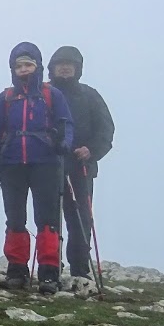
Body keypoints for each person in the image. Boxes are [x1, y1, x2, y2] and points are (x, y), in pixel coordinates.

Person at [0, 42, 73, 295]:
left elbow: (66, 124)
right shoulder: (6, 98)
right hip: (11, 163)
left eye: (28, 65)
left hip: (46, 162)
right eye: (18, 66)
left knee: (47, 218)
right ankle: (17, 270)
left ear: (38, 67)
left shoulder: (52, 95)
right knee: (15, 218)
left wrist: (64, 144)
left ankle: (49, 272)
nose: (23, 70)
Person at [47, 46, 114, 281]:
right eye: (60, 64)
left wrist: (91, 150)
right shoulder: (44, 94)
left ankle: (80, 269)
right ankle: (50, 267)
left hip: (80, 165)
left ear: (78, 68)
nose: (65, 68)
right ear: (52, 68)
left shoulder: (90, 95)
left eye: (70, 64)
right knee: (49, 218)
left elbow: (106, 130)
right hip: (49, 165)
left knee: (80, 218)